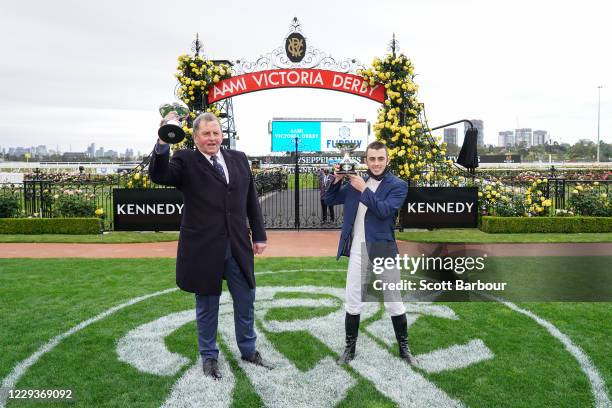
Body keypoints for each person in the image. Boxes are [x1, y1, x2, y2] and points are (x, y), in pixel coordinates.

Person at [149, 112, 273, 380]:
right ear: (195, 137)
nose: (212, 138)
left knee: (246, 301)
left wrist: (259, 235)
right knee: (207, 305)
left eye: (216, 133)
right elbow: (159, 175)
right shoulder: (185, 160)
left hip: (238, 246)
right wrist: (162, 143)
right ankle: (209, 357)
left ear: (222, 135)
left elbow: (251, 199)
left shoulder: (238, 159)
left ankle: (249, 351)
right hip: (204, 248)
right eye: (206, 134)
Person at [324, 140, 415, 365]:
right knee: (353, 299)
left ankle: (404, 348)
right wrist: (336, 180)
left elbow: (384, 211)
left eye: (380, 158)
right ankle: (349, 349)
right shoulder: (358, 181)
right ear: (365, 160)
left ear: (387, 159)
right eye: (372, 159)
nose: (376, 163)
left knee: (394, 300)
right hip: (357, 251)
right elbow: (328, 199)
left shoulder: (398, 185)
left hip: (383, 249)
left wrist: (363, 190)